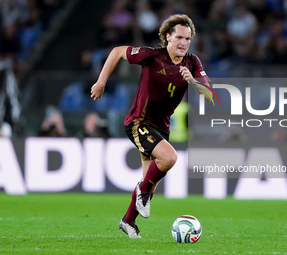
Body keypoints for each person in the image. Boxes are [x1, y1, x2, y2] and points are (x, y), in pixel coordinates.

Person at [91, 14, 212, 239]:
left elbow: (209, 95)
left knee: (149, 184)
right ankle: (142, 194)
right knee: (169, 159)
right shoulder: (152, 56)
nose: (183, 42)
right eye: (179, 37)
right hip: (139, 122)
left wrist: (193, 82)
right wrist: (101, 82)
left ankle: (128, 221)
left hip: (161, 127)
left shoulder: (192, 62)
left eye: (187, 38)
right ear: (168, 37)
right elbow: (117, 51)